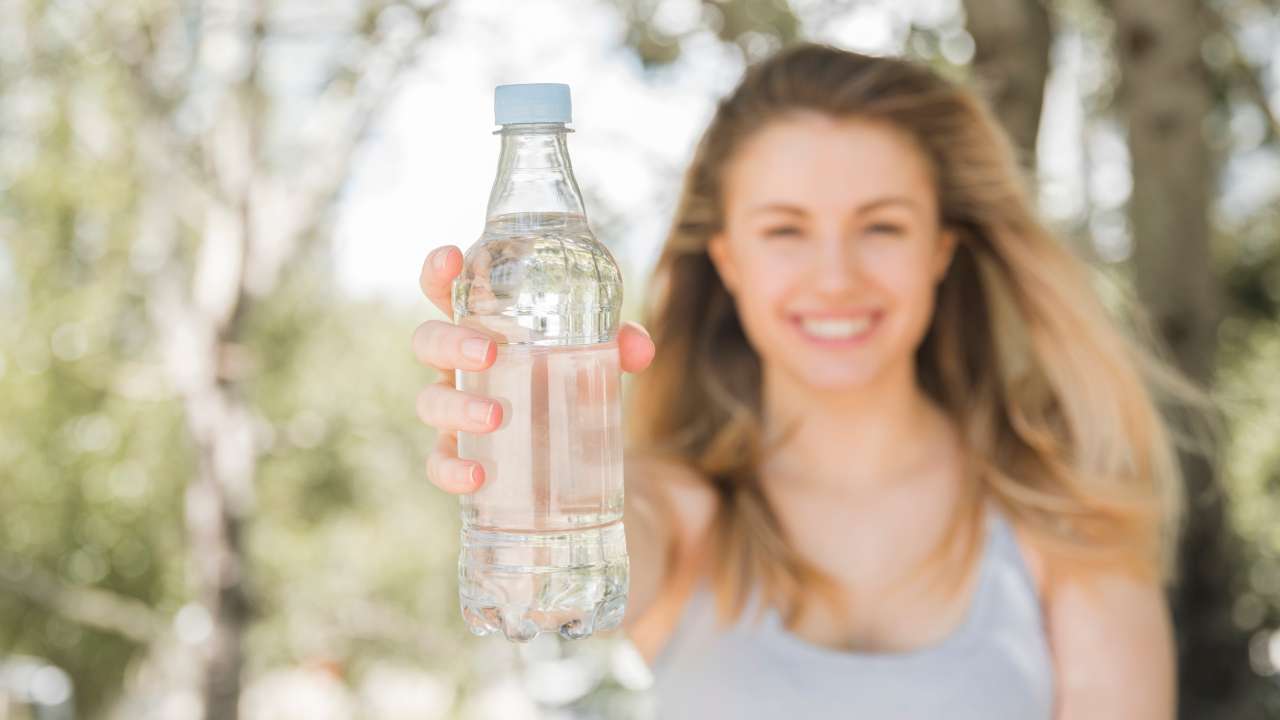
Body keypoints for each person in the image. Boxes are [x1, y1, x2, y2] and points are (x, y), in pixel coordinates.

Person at [413, 42, 1203, 718]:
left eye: (882, 226)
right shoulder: (684, 514)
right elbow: (560, 593)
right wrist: (526, 449)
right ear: (727, 261)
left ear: (939, 251)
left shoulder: (1064, 516)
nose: (834, 277)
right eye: (785, 229)